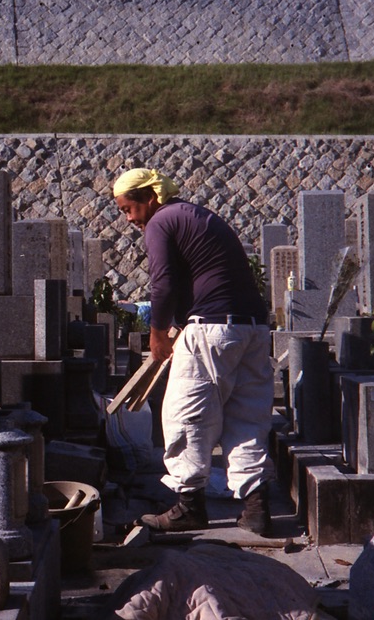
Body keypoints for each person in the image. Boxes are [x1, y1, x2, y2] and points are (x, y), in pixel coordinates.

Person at [113, 168, 276, 536]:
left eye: (128, 210)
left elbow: (163, 283)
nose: (128, 219)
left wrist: (157, 334)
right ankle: (257, 508)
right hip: (252, 327)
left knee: (186, 415)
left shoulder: (160, 221)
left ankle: (188, 506)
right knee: (247, 418)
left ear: (149, 199)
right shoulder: (195, 214)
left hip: (212, 329)